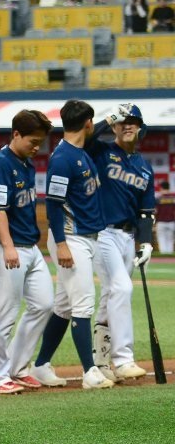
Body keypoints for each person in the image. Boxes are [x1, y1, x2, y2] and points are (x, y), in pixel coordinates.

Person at [29, 99, 115, 390]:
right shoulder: (63, 158)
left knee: (64, 307)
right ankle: (90, 372)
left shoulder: (78, 150)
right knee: (83, 303)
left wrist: (109, 119)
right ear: (87, 123)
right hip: (71, 238)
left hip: (84, 237)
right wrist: (62, 244)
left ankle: (41, 365)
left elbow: (92, 132)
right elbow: (53, 204)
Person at [0, 110, 55, 395]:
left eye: (40, 142)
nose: (37, 147)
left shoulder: (27, 163)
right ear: (16, 134)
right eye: (33, 141)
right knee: (5, 311)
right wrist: (8, 245)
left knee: (44, 304)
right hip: (4, 246)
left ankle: (17, 367)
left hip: (29, 246)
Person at [89, 104, 153, 383]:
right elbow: (84, 138)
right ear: (115, 126)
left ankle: (101, 363)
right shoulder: (101, 152)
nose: (128, 125)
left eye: (133, 121)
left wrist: (146, 243)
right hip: (103, 233)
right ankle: (123, 359)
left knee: (109, 298)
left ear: (140, 127)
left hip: (128, 237)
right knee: (122, 288)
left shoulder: (144, 166)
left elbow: (146, 211)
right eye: (122, 122)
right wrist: (108, 118)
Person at [157, 181, 175, 254]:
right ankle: (169, 257)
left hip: (161, 222)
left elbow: (155, 211)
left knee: (162, 239)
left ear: (161, 188)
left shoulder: (158, 198)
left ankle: (163, 256)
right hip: (171, 222)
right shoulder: (173, 198)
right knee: (170, 240)